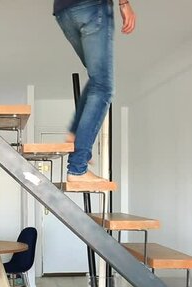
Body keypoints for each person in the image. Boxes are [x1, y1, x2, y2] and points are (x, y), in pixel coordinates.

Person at [53, 0, 136, 182]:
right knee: (104, 87)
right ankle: (77, 168)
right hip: (91, 6)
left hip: (64, 12)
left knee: (97, 79)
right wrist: (124, 3)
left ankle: (75, 134)